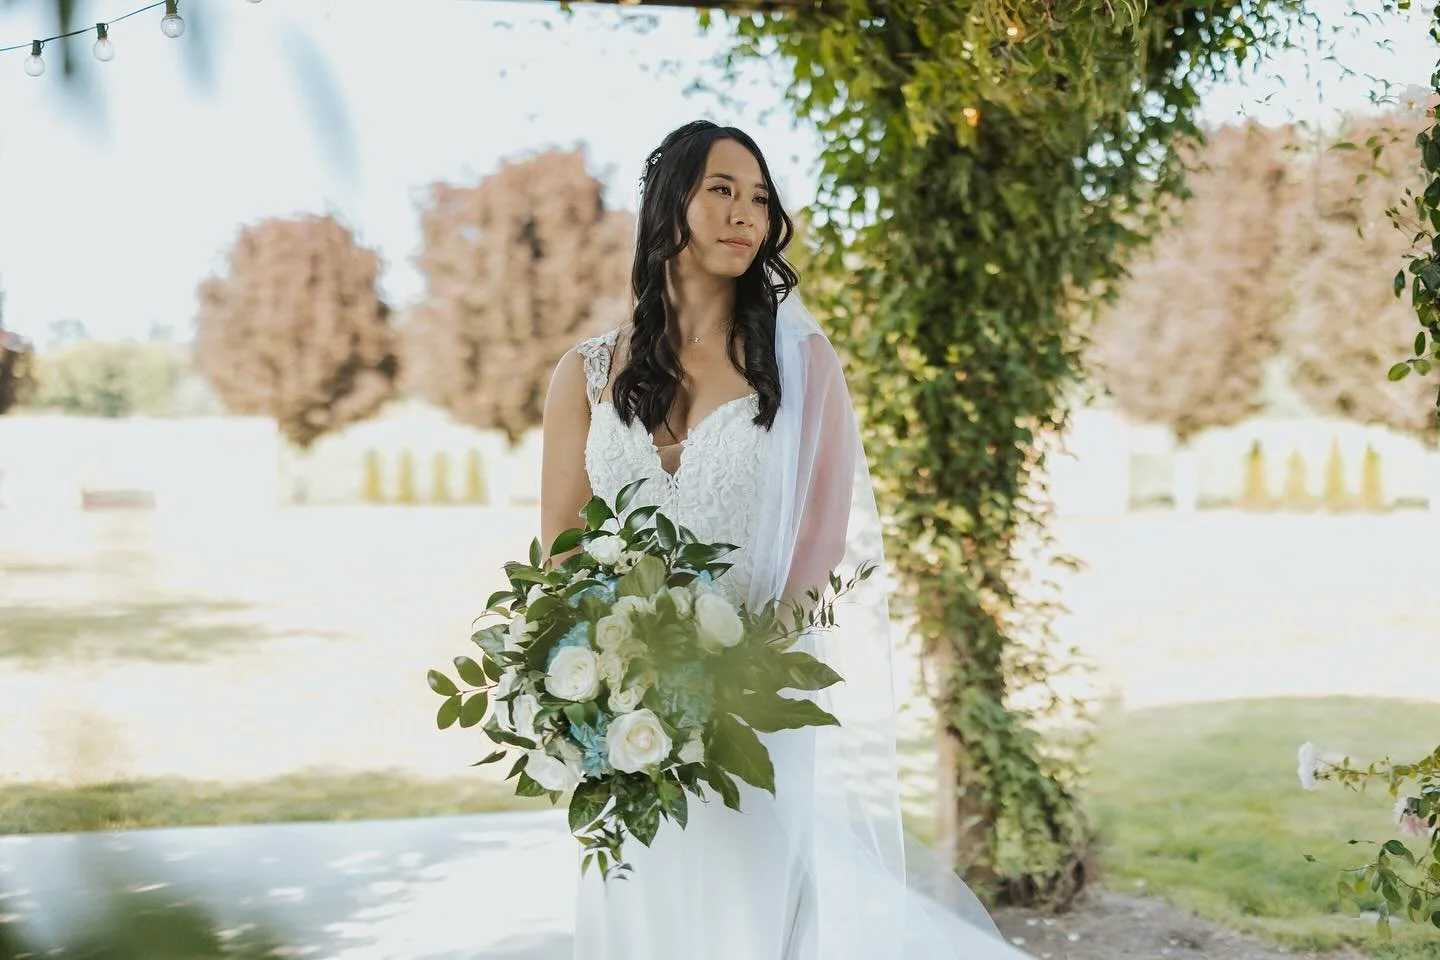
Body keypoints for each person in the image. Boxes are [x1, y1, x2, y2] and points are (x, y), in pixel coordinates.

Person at [540, 120, 1030, 960]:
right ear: (670, 205)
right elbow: (562, 543)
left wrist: (745, 669)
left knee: (748, 905)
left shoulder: (802, 364)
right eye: (722, 190)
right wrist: (606, 670)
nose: (746, 215)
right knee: (638, 901)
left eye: (760, 199)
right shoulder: (584, 373)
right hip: (621, 704)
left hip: (753, 692)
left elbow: (821, 537)